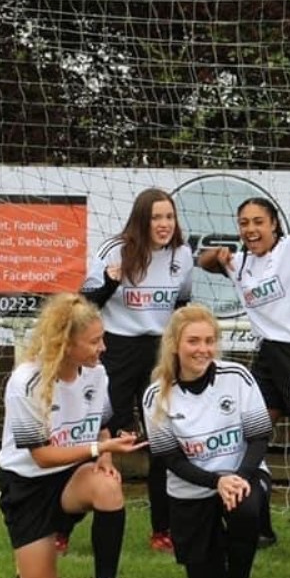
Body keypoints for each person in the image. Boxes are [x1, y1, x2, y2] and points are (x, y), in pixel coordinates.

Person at [197, 185, 290, 544]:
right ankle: (258, 525)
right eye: (244, 223)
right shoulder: (239, 263)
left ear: (275, 225)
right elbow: (203, 262)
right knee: (247, 437)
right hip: (268, 357)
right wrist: (218, 256)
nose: (251, 229)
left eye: (259, 221)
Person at [0, 293, 145, 578]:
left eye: (102, 338)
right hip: (27, 484)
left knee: (107, 487)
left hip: (71, 477)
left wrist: (104, 459)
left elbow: (103, 424)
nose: (102, 348)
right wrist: (100, 449)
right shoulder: (26, 382)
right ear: (66, 344)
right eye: (93, 342)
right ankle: (29, 559)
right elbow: (42, 457)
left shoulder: (97, 373)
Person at [79, 187, 192, 554]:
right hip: (116, 349)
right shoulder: (114, 249)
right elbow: (84, 304)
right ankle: (63, 524)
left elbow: (182, 304)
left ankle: (164, 529)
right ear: (141, 220)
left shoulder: (182, 254)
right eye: (156, 217)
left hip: (158, 352)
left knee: (162, 442)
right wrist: (112, 281)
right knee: (97, 440)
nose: (163, 224)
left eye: (169, 217)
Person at [142, 305, 274, 578]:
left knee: (244, 504)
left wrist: (237, 477)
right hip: (193, 487)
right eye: (194, 341)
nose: (203, 349)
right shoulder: (156, 396)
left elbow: (258, 437)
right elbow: (172, 460)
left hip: (243, 474)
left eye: (209, 340)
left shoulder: (237, 377)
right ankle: (222, 546)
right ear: (175, 344)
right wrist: (217, 481)